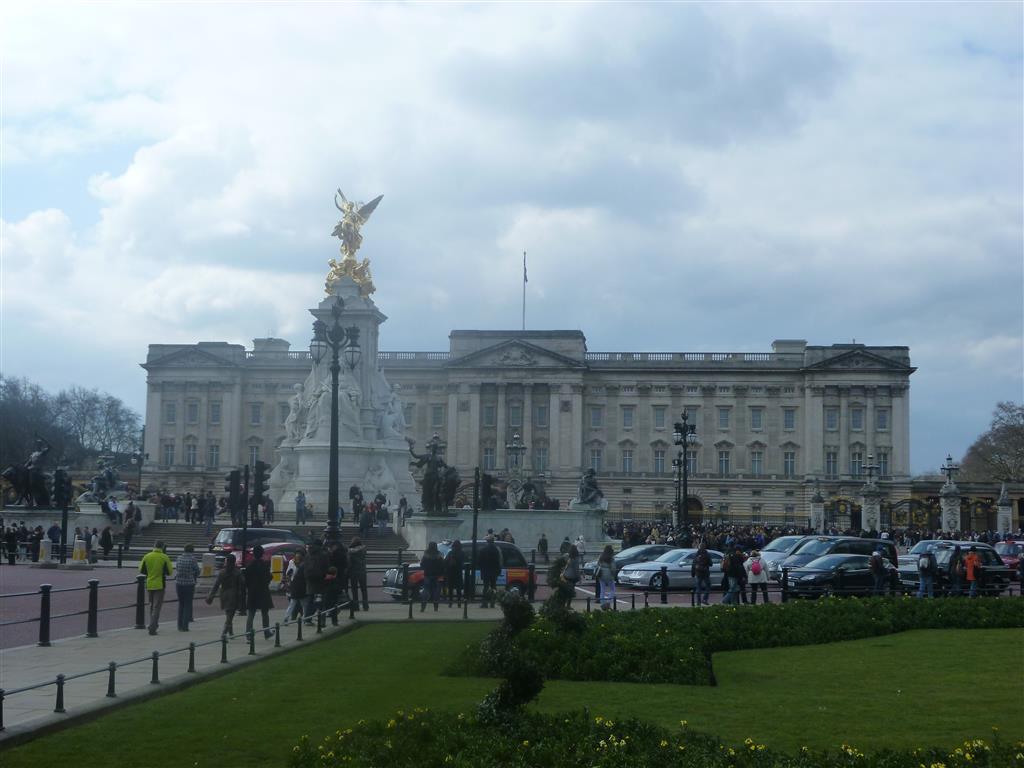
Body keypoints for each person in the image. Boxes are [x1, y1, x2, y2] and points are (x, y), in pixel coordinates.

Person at [139, 541, 173, 635]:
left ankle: (152, 623)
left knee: (151, 605)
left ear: (154, 546)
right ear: (162, 547)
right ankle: (152, 627)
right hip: (160, 584)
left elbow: (141, 569)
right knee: (157, 607)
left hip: (149, 583)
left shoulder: (147, 556)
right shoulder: (164, 557)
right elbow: (170, 572)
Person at [206, 553, 244, 637]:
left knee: (228, 613)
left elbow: (216, 585)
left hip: (224, 594)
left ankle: (231, 632)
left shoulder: (222, 572)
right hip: (234, 595)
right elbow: (242, 584)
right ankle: (224, 632)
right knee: (230, 615)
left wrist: (211, 596)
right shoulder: (237, 572)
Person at [244, 544, 274, 639]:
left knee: (251, 613)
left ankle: (248, 633)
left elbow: (246, 580)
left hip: (253, 591)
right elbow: (269, 577)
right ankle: (266, 632)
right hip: (263, 590)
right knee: (265, 613)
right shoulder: (265, 565)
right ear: (262, 554)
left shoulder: (249, 566)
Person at [175, 544, 200, 631]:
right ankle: (185, 626)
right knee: (187, 604)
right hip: (189, 584)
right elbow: (197, 571)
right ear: (192, 550)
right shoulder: (193, 559)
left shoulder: (179, 558)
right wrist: (193, 575)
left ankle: (179, 625)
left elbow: (177, 568)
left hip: (179, 583)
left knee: (181, 604)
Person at [478, 535, 501, 608]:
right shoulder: (496, 550)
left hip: (485, 571)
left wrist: (482, 568)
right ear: (493, 541)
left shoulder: (483, 549)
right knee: (493, 587)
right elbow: (498, 561)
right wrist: (498, 570)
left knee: (485, 587)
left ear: (487, 541)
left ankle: (484, 603)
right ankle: (492, 603)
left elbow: (479, 561)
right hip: (494, 571)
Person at [420, 541, 444, 612]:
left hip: (427, 574)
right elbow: (442, 565)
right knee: (436, 592)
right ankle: (435, 607)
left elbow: (422, 564)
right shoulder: (439, 555)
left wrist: (426, 569)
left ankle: (423, 607)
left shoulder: (426, 555)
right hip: (437, 575)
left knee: (426, 591)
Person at [283, 551, 307, 622]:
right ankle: (305, 617)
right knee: (303, 604)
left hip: (294, 585)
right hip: (300, 586)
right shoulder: (303, 565)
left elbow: (288, 574)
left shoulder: (294, 563)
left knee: (293, 603)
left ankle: (286, 617)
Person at [348, 536, 370, 611]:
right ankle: (365, 606)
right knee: (364, 589)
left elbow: (349, 562)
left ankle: (356, 606)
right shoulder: (363, 550)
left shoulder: (351, 552)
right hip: (362, 571)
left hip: (354, 572)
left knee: (354, 590)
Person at [444, 539, 465, 607]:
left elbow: (445, 562)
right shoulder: (462, 553)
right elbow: (464, 561)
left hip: (450, 573)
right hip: (458, 572)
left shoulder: (450, 553)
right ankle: (459, 603)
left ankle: (450, 603)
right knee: (458, 589)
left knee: (450, 589)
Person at [596, 544, 616, 610]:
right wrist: (613, 574)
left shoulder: (601, 556)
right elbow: (613, 568)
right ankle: (608, 602)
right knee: (613, 589)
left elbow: (597, 564)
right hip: (609, 574)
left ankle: (602, 603)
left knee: (602, 590)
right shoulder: (611, 558)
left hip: (601, 574)